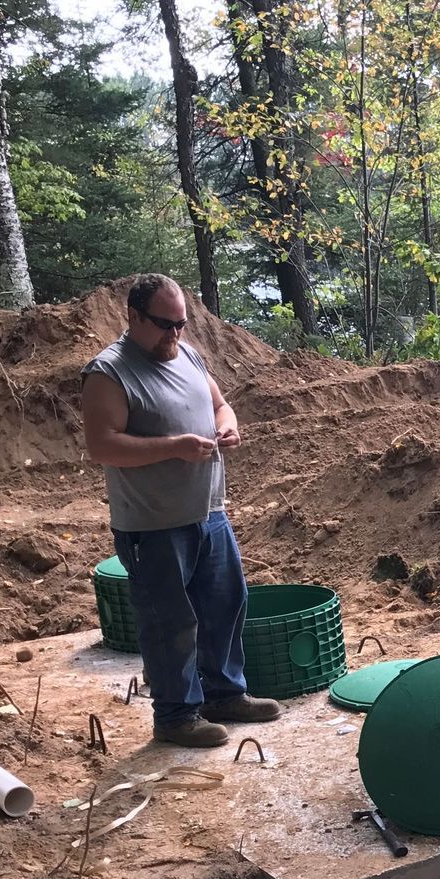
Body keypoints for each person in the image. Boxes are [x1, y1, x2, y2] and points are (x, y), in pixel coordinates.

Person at [80, 274, 282, 747]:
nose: (175, 334)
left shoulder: (188, 354)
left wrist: (227, 427)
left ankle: (224, 694)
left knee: (225, 604)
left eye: (181, 324)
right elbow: (102, 445)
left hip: (209, 511)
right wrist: (174, 447)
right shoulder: (109, 372)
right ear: (133, 317)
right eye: (164, 325)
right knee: (169, 621)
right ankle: (175, 716)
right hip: (152, 524)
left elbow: (221, 405)